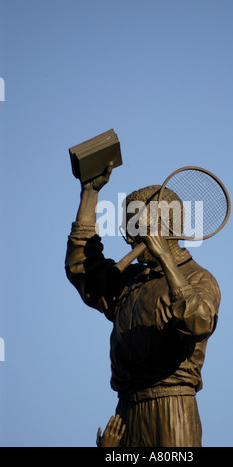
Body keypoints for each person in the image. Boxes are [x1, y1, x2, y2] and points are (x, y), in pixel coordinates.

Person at [65, 164, 221, 447]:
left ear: (163, 229)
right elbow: (82, 269)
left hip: (172, 410)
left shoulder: (198, 278)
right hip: (125, 413)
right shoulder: (130, 280)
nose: (127, 238)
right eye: (126, 228)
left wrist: (166, 259)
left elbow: (197, 322)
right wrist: (89, 194)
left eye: (135, 229)